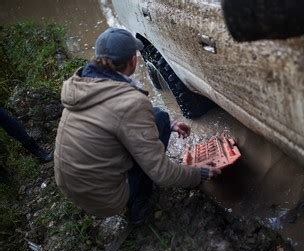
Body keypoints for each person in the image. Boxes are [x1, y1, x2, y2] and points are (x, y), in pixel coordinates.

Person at [54, 28, 221, 224]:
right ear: (133, 61)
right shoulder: (131, 103)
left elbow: (119, 114)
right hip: (106, 200)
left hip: (77, 190)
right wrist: (198, 174)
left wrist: (169, 123)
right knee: (157, 125)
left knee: (159, 117)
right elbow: (162, 174)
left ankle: (127, 192)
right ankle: (138, 206)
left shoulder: (82, 85)